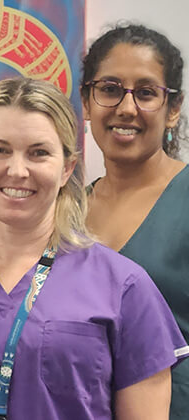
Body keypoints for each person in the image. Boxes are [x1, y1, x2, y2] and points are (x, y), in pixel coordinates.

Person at [0, 77, 188, 419]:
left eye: (39, 153)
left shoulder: (125, 288)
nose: (17, 170)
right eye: (0, 150)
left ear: (66, 168)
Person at [82, 24, 189, 419]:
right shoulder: (64, 211)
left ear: (172, 110)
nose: (127, 108)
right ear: (87, 103)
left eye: (146, 93)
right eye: (110, 89)